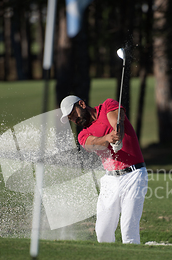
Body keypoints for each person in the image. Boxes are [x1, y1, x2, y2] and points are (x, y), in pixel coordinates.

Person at [60, 95, 148, 244]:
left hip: (134, 175)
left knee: (128, 231)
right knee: (102, 233)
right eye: (70, 118)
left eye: (73, 114)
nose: (74, 119)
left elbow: (117, 121)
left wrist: (117, 134)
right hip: (110, 180)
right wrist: (107, 138)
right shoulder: (83, 134)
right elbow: (92, 143)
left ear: (81, 104)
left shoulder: (108, 105)